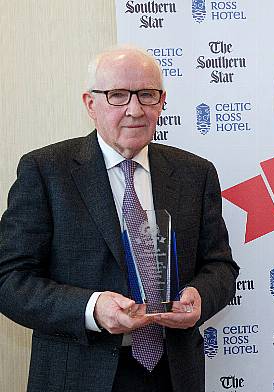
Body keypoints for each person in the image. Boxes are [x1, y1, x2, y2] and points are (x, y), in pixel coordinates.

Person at [0, 46, 240, 392]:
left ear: (161, 102)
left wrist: (199, 298)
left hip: (173, 374)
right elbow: (10, 281)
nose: (134, 109)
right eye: (117, 95)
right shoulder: (46, 171)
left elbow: (220, 267)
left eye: (147, 95)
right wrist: (92, 309)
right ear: (90, 104)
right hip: (80, 373)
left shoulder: (195, 173)